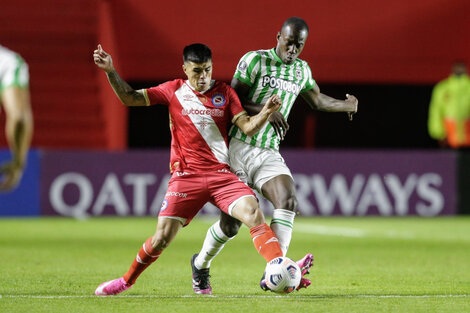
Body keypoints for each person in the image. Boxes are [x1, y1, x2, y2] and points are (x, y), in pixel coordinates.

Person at [92, 43, 296, 296]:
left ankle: (279, 267)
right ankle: (126, 281)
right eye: (197, 71)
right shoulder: (172, 90)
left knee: (254, 212)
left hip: (222, 176)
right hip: (186, 177)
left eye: (207, 70)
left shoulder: (225, 93)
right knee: (161, 238)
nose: (203, 77)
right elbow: (129, 97)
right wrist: (111, 71)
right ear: (185, 69)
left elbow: (247, 127)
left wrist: (265, 112)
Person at [192, 17, 358, 293]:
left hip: (268, 151)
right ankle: (201, 263)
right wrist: (266, 111)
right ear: (278, 37)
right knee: (231, 225)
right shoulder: (255, 61)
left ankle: (274, 271)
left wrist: (346, 104)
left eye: (299, 45)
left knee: (288, 199)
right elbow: (231, 97)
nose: (293, 49)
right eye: (289, 42)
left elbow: (316, 99)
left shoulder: (302, 70)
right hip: (236, 147)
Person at [0, 45, 33, 191]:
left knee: (19, 118)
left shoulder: (9, 62)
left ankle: (18, 165)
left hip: (7, 67)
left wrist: (19, 163)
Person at [428, 61, 470, 148]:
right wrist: (439, 133)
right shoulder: (442, 88)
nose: (459, 70)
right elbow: (436, 112)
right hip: (449, 137)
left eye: (461, 68)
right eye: (457, 68)